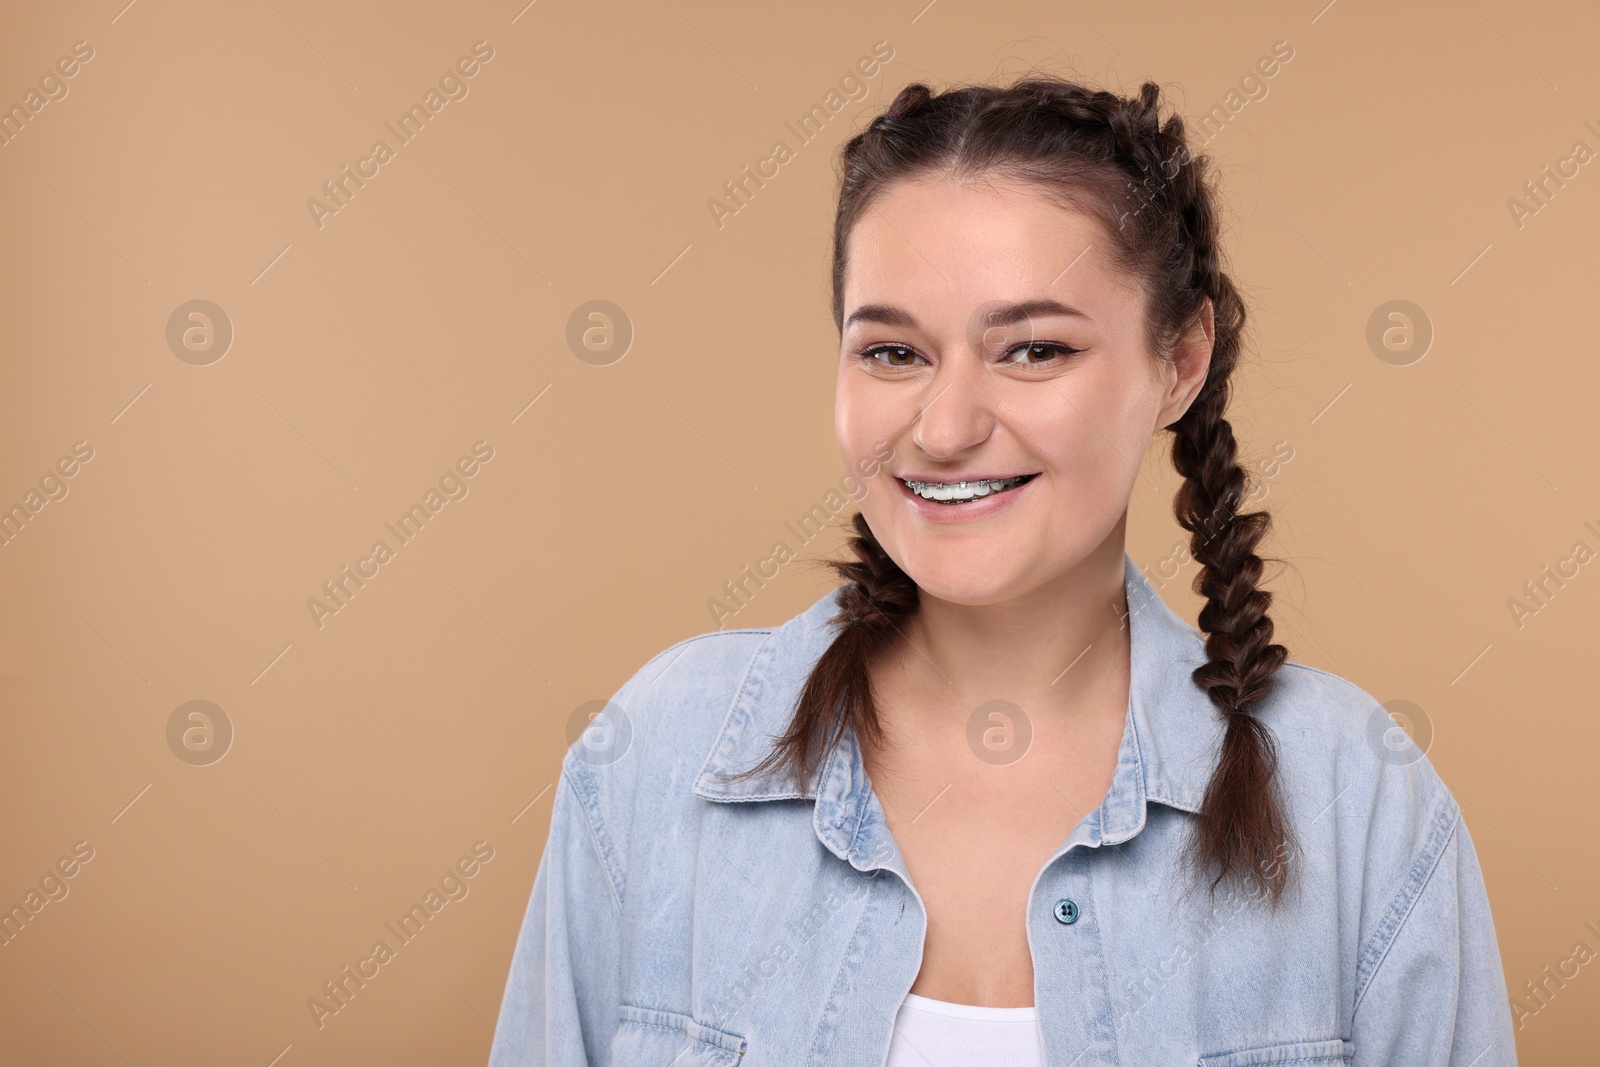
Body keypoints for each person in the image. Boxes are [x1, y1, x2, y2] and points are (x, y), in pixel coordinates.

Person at [487, 75, 1518, 1066]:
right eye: (893, 353)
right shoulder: (656, 758)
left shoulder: (1357, 800)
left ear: (1180, 359)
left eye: (1032, 350)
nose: (944, 427)